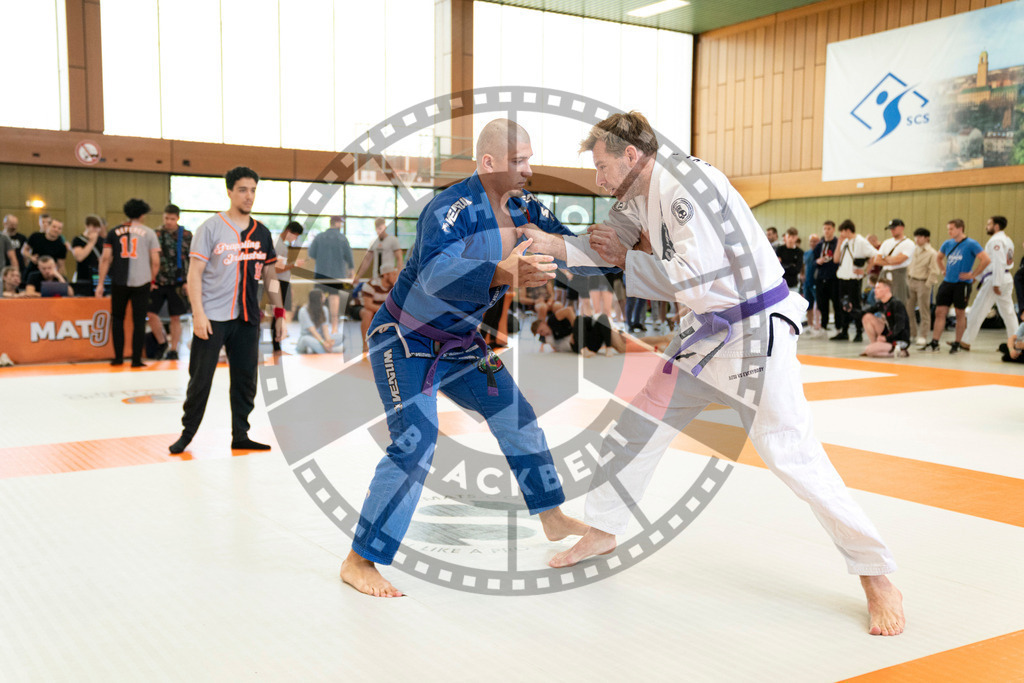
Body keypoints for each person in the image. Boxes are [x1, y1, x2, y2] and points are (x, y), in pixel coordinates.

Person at [522, 111, 903, 636]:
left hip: (751, 335)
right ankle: (605, 528)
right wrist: (553, 243)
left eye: (604, 167)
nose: (599, 179)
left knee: (790, 454)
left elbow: (697, 284)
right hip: (705, 334)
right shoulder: (640, 189)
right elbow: (611, 239)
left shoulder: (685, 189)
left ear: (632, 155)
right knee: (637, 422)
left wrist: (615, 263)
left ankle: (875, 573)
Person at [339, 119, 597, 598]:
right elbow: (436, 274)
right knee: (415, 442)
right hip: (405, 341)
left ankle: (552, 514)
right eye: (519, 160)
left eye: (530, 158)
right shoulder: (450, 208)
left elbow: (569, 243)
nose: (528, 169)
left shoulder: (525, 206)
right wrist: (503, 271)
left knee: (517, 417)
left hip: (461, 346)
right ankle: (360, 560)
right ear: (489, 163)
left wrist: (620, 245)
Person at [169, 166, 285, 454]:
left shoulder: (262, 232)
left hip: (247, 317)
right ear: (230, 192)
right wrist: (198, 313)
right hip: (212, 317)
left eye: (253, 190)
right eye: (243, 190)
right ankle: (188, 433)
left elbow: (270, 277)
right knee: (200, 379)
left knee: (246, 379)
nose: (249, 196)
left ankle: (241, 434)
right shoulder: (210, 228)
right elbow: (194, 274)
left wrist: (280, 314)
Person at [96, 199, 159, 367]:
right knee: (139, 320)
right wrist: (152, 280)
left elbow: (105, 258)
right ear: (143, 214)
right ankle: (136, 360)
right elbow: (156, 262)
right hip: (143, 281)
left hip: (119, 280)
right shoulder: (149, 233)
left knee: (117, 318)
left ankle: (118, 358)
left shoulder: (113, 232)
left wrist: (100, 283)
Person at [921, 219, 989, 353]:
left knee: (960, 313)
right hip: (947, 282)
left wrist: (973, 274)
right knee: (940, 312)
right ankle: (935, 342)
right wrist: (942, 269)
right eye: (948, 229)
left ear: (960, 229)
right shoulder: (947, 243)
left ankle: (957, 343)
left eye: (951, 229)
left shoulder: (971, 244)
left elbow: (986, 259)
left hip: (962, 284)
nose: (949, 232)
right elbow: (939, 257)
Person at [960, 216, 1015, 352]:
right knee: (1008, 313)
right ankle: (1016, 343)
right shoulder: (1007, 239)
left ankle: (966, 341)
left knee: (977, 310)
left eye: (989, 224)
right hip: (1006, 277)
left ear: (996, 226)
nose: (986, 226)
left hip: (996, 279)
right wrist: (976, 277)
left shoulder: (996, 240)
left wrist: (996, 283)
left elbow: (997, 262)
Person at [145, 205, 193, 361]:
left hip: (178, 282)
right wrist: (150, 279)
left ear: (177, 218)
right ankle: (162, 342)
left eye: (172, 219)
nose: (169, 222)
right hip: (158, 281)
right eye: (166, 218)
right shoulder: (155, 234)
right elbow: (149, 258)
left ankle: (174, 350)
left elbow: (191, 260)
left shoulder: (186, 235)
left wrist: (187, 281)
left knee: (175, 317)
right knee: (150, 313)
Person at [308, 215, 354, 335]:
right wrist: (351, 270)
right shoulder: (342, 238)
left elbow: (311, 254)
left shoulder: (319, 237)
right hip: (337, 275)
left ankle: (319, 328)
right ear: (336, 223)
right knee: (334, 300)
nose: (342, 225)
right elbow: (349, 257)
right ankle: (334, 328)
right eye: (341, 223)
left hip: (321, 274)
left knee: (318, 300)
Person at [832, 220, 876, 342]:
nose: (840, 234)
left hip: (854, 278)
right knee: (843, 304)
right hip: (842, 276)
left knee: (855, 305)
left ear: (847, 230)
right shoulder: (845, 241)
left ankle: (858, 332)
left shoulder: (861, 241)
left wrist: (866, 271)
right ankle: (844, 331)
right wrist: (839, 243)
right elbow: (836, 259)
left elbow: (874, 255)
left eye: (842, 231)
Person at [272, 221, 306, 352]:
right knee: (277, 313)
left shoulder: (280, 244)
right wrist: (293, 264)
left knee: (278, 313)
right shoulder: (279, 246)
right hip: (279, 282)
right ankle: (277, 345)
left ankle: (277, 343)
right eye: (295, 235)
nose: (295, 239)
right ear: (288, 231)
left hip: (280, 281)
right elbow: (278, 269)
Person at [905, 227, 941, 346]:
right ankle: (912, 333)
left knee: (923, 311)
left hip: (923, 282)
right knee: (908, 309)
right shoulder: (913, 250)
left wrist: (927, 284)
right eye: (916, 236)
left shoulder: (932, 253)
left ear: (927, 238)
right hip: (911, 281)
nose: (917, 239)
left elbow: (934, 271)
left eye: (920, 237)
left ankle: (923, 335)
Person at [860, 278, 911, 358]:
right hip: (889, 336)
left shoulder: (896, 304)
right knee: (867, 317)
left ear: (887, 289)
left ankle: (902, 352)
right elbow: (862, 313)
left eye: (878, 288)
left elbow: (900, 326)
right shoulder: (880, 304)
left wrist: (886, 338)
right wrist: (850, 310)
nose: (875, 291)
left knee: (869, 350)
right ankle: (876, 345)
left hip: (898, 339)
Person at [874, 219, 915, 305]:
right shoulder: (886, 242)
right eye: (891, 229)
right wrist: (890, 259)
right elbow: (877, 260)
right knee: (882, 300)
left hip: (898, 274)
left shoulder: (908, 243)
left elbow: (899, 261)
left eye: (894, 228)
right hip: (885, 274)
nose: (892, 231)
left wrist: (884, 257)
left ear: (901, 228)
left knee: (898, 301)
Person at [353, 218, 403, 287]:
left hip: (388, 277)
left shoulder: (393, 240)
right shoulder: (373, 242)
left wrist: (398, 275)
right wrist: (358, 276)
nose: (379, 231)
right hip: (376, 276)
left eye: (381, 228)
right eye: (377, 228)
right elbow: (366, 260)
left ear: (385, 227)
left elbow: (399, 259)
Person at [295, 288, 344, 354]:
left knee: (341, 336)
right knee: (306, 340)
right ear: (318, 298)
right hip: (309, 337)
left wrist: (328, 340)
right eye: (323, 296)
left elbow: (325, 329)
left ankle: (322, 348)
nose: (325, 298)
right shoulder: (303, 311)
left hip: (321, 337)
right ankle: (325, 350)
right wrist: (323, 343)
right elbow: (313, 331)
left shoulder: (324, 309)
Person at [813, 221, 840, 333]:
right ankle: (823, 326)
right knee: (822, 304)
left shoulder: (838, 244)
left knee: (837, 303)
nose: (827, 231)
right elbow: (813, 262)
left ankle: (839, 327)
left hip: (834, 278)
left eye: (829, 228)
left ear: (833, 229)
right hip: (821, 278)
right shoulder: (819, 245)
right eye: (825, 229)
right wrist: (817, 261)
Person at [23, 218, 67, 282]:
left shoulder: (62, 246)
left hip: (49, 277)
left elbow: (61, 266)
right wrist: (31, 257)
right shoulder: (36, 236)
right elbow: (24, 251)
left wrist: (61, 278)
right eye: (54, 227)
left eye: (59, 228)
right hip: (32, 273)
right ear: (48, 226)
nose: (56, 230)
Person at [71, 215, 106, 296]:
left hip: (97, 277)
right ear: (87, 226)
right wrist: (92, 242)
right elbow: (79, 257)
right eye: (93, 227)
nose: (96, 230)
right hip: (83, 276)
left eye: (98, 227)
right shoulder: (78, 240)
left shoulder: (102, 241)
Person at [802, 233, 821, 334]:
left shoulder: (820, 254)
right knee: (808, 304)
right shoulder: (806, 253)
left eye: (815, 241)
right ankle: (810, 325)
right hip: (807, 282)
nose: (813, 243)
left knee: (818, 304)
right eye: (811, 241)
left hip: (816, 282)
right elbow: (803, 266)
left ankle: (817, 325)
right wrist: (802, 275)